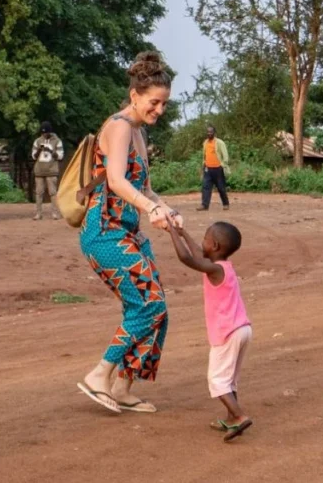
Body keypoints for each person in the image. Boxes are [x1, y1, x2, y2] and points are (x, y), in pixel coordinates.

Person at [76, 51, 184, 414]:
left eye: (164, 104)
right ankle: (100, 373)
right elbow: (118, 181)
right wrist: (150, 208)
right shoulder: (120, 126)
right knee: (148, 304)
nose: (159, 110)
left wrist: (165, 208)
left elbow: (145, 188)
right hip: (104, 231)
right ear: (135, 96)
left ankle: (123, 386)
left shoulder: (137, 132)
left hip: (127, 231)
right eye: (154, 102)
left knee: (158, 311)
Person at [165, 218, 253, 442]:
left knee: (217, 380)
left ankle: (239, 415)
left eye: (205, 239)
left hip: (227, 333)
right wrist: (183, 232)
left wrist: (170, 232)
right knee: (229, 379)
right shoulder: (223, 266)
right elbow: (198, 254)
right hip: (242, 329)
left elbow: (187, 257)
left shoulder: (214, 269)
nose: (202, 242)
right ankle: (231, 418)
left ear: (214, 246)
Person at [31, 122, 64, 220]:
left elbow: (60, 156)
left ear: (50, 132)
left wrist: (50, 151)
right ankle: (38, 213)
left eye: (46, 133)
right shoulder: (37, 141)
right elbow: (33, 156)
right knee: (39, 192)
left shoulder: (57, 141)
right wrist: (39, 150)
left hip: (51, 170)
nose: (44, 135)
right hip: (39, 170)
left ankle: (55, 213)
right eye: (42, 133)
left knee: (53, 192)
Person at [198, 126, 230, 212]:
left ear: (214, 133)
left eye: (211, 132)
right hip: (208, 169)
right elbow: (204, 156)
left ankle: (226, 203)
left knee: (221, 187)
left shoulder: (219, 142)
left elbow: (225, 156)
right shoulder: (205, 143)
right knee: (205, 187)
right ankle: (204, 205)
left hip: (218, 169)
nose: (209, 133)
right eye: (208, 132)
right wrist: (204, 164)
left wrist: (222, 165)